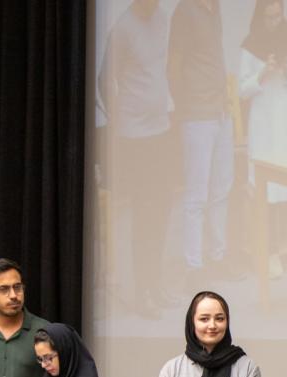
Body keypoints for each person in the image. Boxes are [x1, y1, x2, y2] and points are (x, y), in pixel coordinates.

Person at [103, 0, 176, 318]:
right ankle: (143, 293)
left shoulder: (162, 18)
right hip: (135, 136)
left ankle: (156, 286)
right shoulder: (123, 28)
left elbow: (162, 67)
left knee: (162, 210)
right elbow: (105, 79)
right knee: (144, 213)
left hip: (162, 128)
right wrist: (119, 121)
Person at [238, 0, 287, 279]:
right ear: (260, 16)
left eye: (278, 16)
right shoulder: (250, 46)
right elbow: (242, 89)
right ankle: (270, 252)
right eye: (269, 17)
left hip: (285, 121)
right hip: (262, 123)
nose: (274, 22)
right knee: (267, 187)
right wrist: (261, 72)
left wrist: (285, 70)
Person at [169, 0, 238, 281]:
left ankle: (218, 257)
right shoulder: (185, 11)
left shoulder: (214, 8)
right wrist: (184, 106)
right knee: (197, 195)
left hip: (221, 112)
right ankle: (194, 267)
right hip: (197, 116)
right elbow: (174, 64)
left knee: (221, 189)